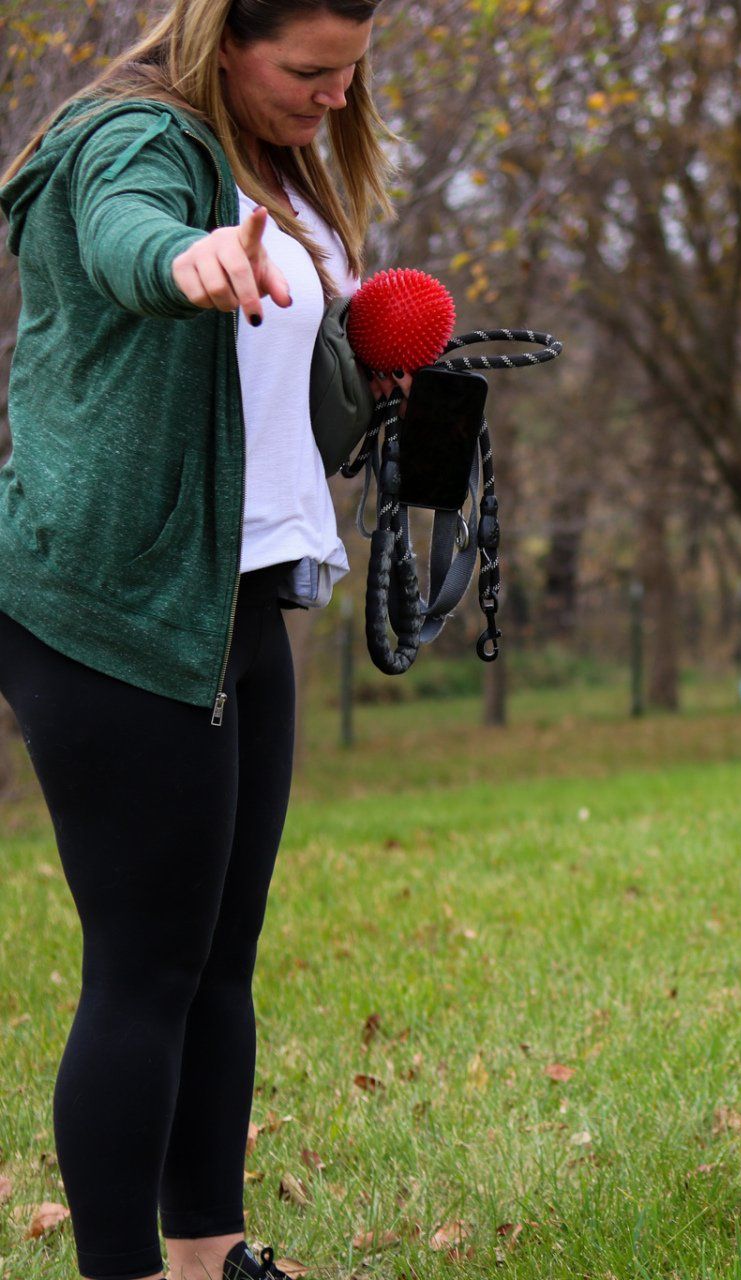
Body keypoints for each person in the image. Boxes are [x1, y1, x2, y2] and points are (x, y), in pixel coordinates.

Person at [0, 3, 395, 1277]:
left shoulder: (268, 155)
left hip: (231, 597)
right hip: (114, 607)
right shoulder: (133, 137)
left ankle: (206, 1256)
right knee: (144, 966)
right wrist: (185, 263)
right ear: (225, 37)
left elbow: (262, 390)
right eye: (307, 70)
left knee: (220, 959)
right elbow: (126, 234)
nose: (333, 97)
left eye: (351, 72)